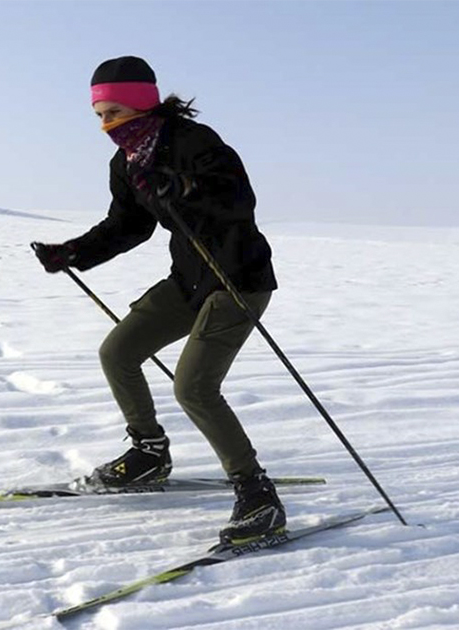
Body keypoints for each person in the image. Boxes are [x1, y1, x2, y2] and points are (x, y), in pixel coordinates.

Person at [32, 56, 284, 544]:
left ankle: (258, 496)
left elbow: (238, 202)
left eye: (114, 111)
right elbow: (127, 226)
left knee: (193, 388)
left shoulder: (195, 142)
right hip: (188, 280)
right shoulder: (126, 162)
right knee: (119, 352)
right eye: (100, 115)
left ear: (143, 102)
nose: (106, 124)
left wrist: (184, 187)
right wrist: (73, 253)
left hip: (237, 279)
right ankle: (149, 454)